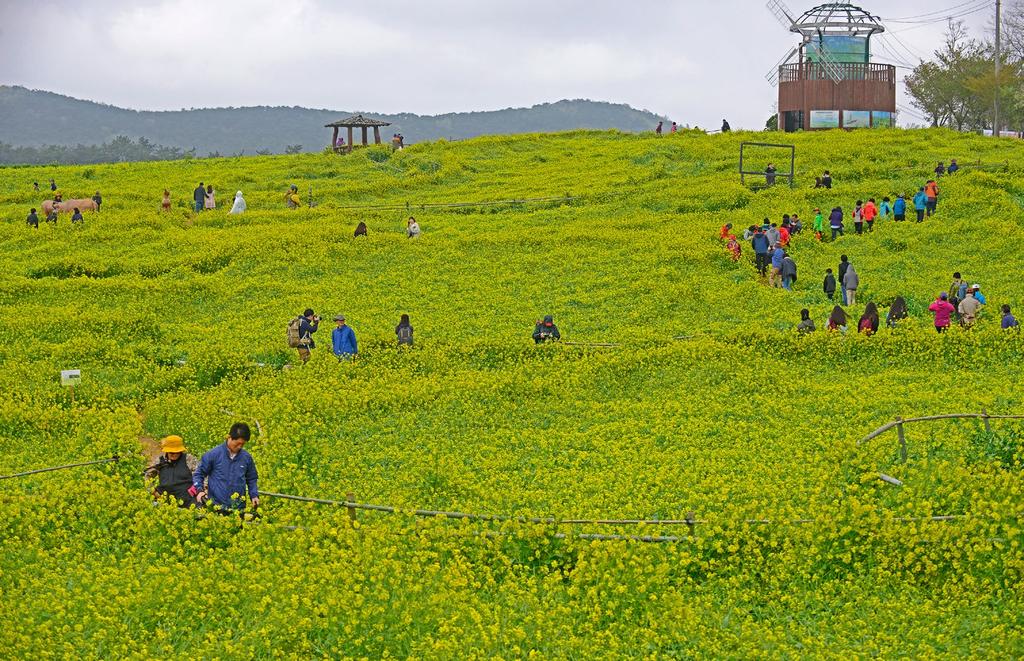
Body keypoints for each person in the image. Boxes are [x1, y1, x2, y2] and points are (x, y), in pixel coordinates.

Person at [189, 423, 259, 513]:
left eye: (243, 444)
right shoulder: (213, 454)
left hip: (238, 508)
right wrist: (199, 491)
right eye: (238, 443)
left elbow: (252, 478)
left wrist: (254, 495)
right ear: (229, 437)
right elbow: (199, 474)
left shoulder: (246, 457)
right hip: (216, 506)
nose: (240, 447)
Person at [144, 435, 199, 507]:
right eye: (171, 452)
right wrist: (153, 491)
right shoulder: (160, 461)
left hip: (187, 501)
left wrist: (200, 491)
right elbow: (147, 476)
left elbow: (200, 475)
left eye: (177, 452)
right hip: (164, 501)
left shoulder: (189, 459)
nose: (174, 455)